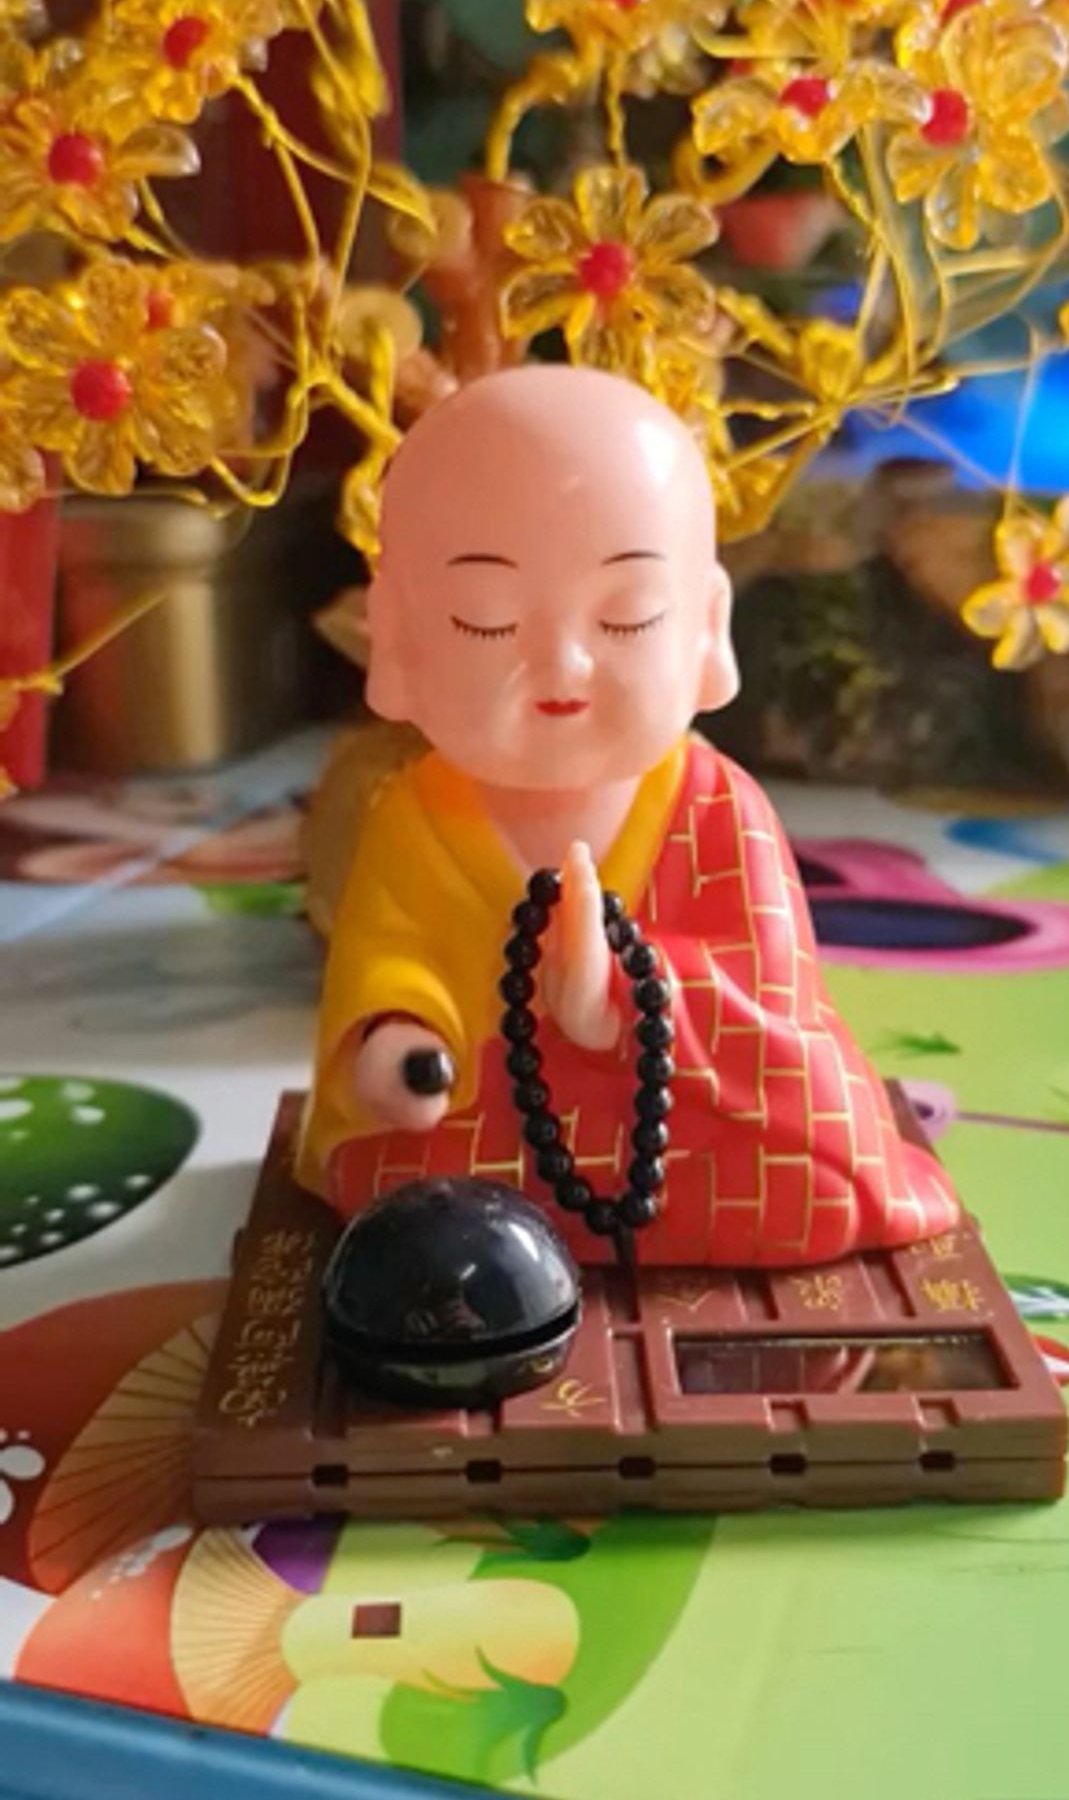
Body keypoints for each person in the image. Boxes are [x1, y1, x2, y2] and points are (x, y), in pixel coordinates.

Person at [299, 366, 958, 1267]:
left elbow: (773, 1007)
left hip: (683, 1122)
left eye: (628, 616)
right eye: (487, 621)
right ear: (398, 639)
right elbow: (393, 963)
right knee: (393, 1190)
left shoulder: (720, 808)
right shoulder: (418, 812)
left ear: (707, 628)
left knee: (822, 1184)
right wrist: (400, 1047)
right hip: (495, 1123)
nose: (564, 666)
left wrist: (624, 997)